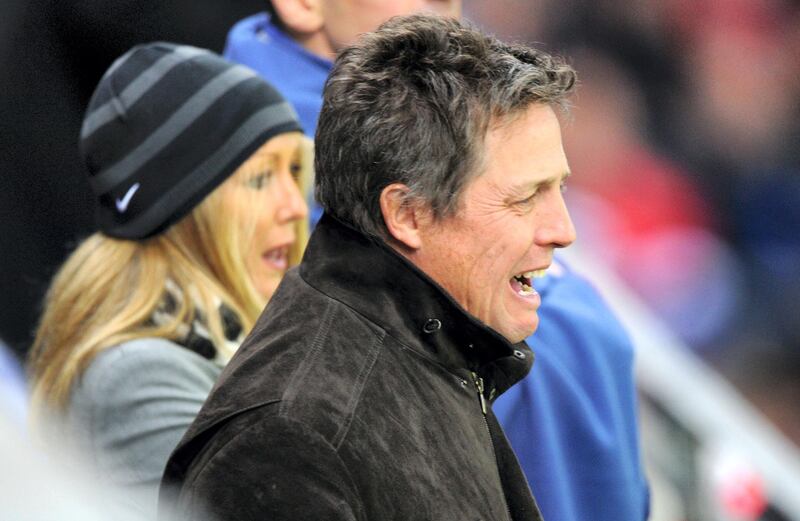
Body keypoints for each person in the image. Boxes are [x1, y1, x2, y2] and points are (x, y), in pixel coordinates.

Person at [223, 2, 650, 520]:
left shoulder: (443, 345)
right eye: (524, 198)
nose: (565, 233)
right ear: (405, 213)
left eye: (558, 189)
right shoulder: (291, 435)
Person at [27, 42, 309, 519]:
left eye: (296, 172)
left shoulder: (238, 341)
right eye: (261, 179)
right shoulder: (142, 376)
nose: (296, 207)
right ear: (186, 209)